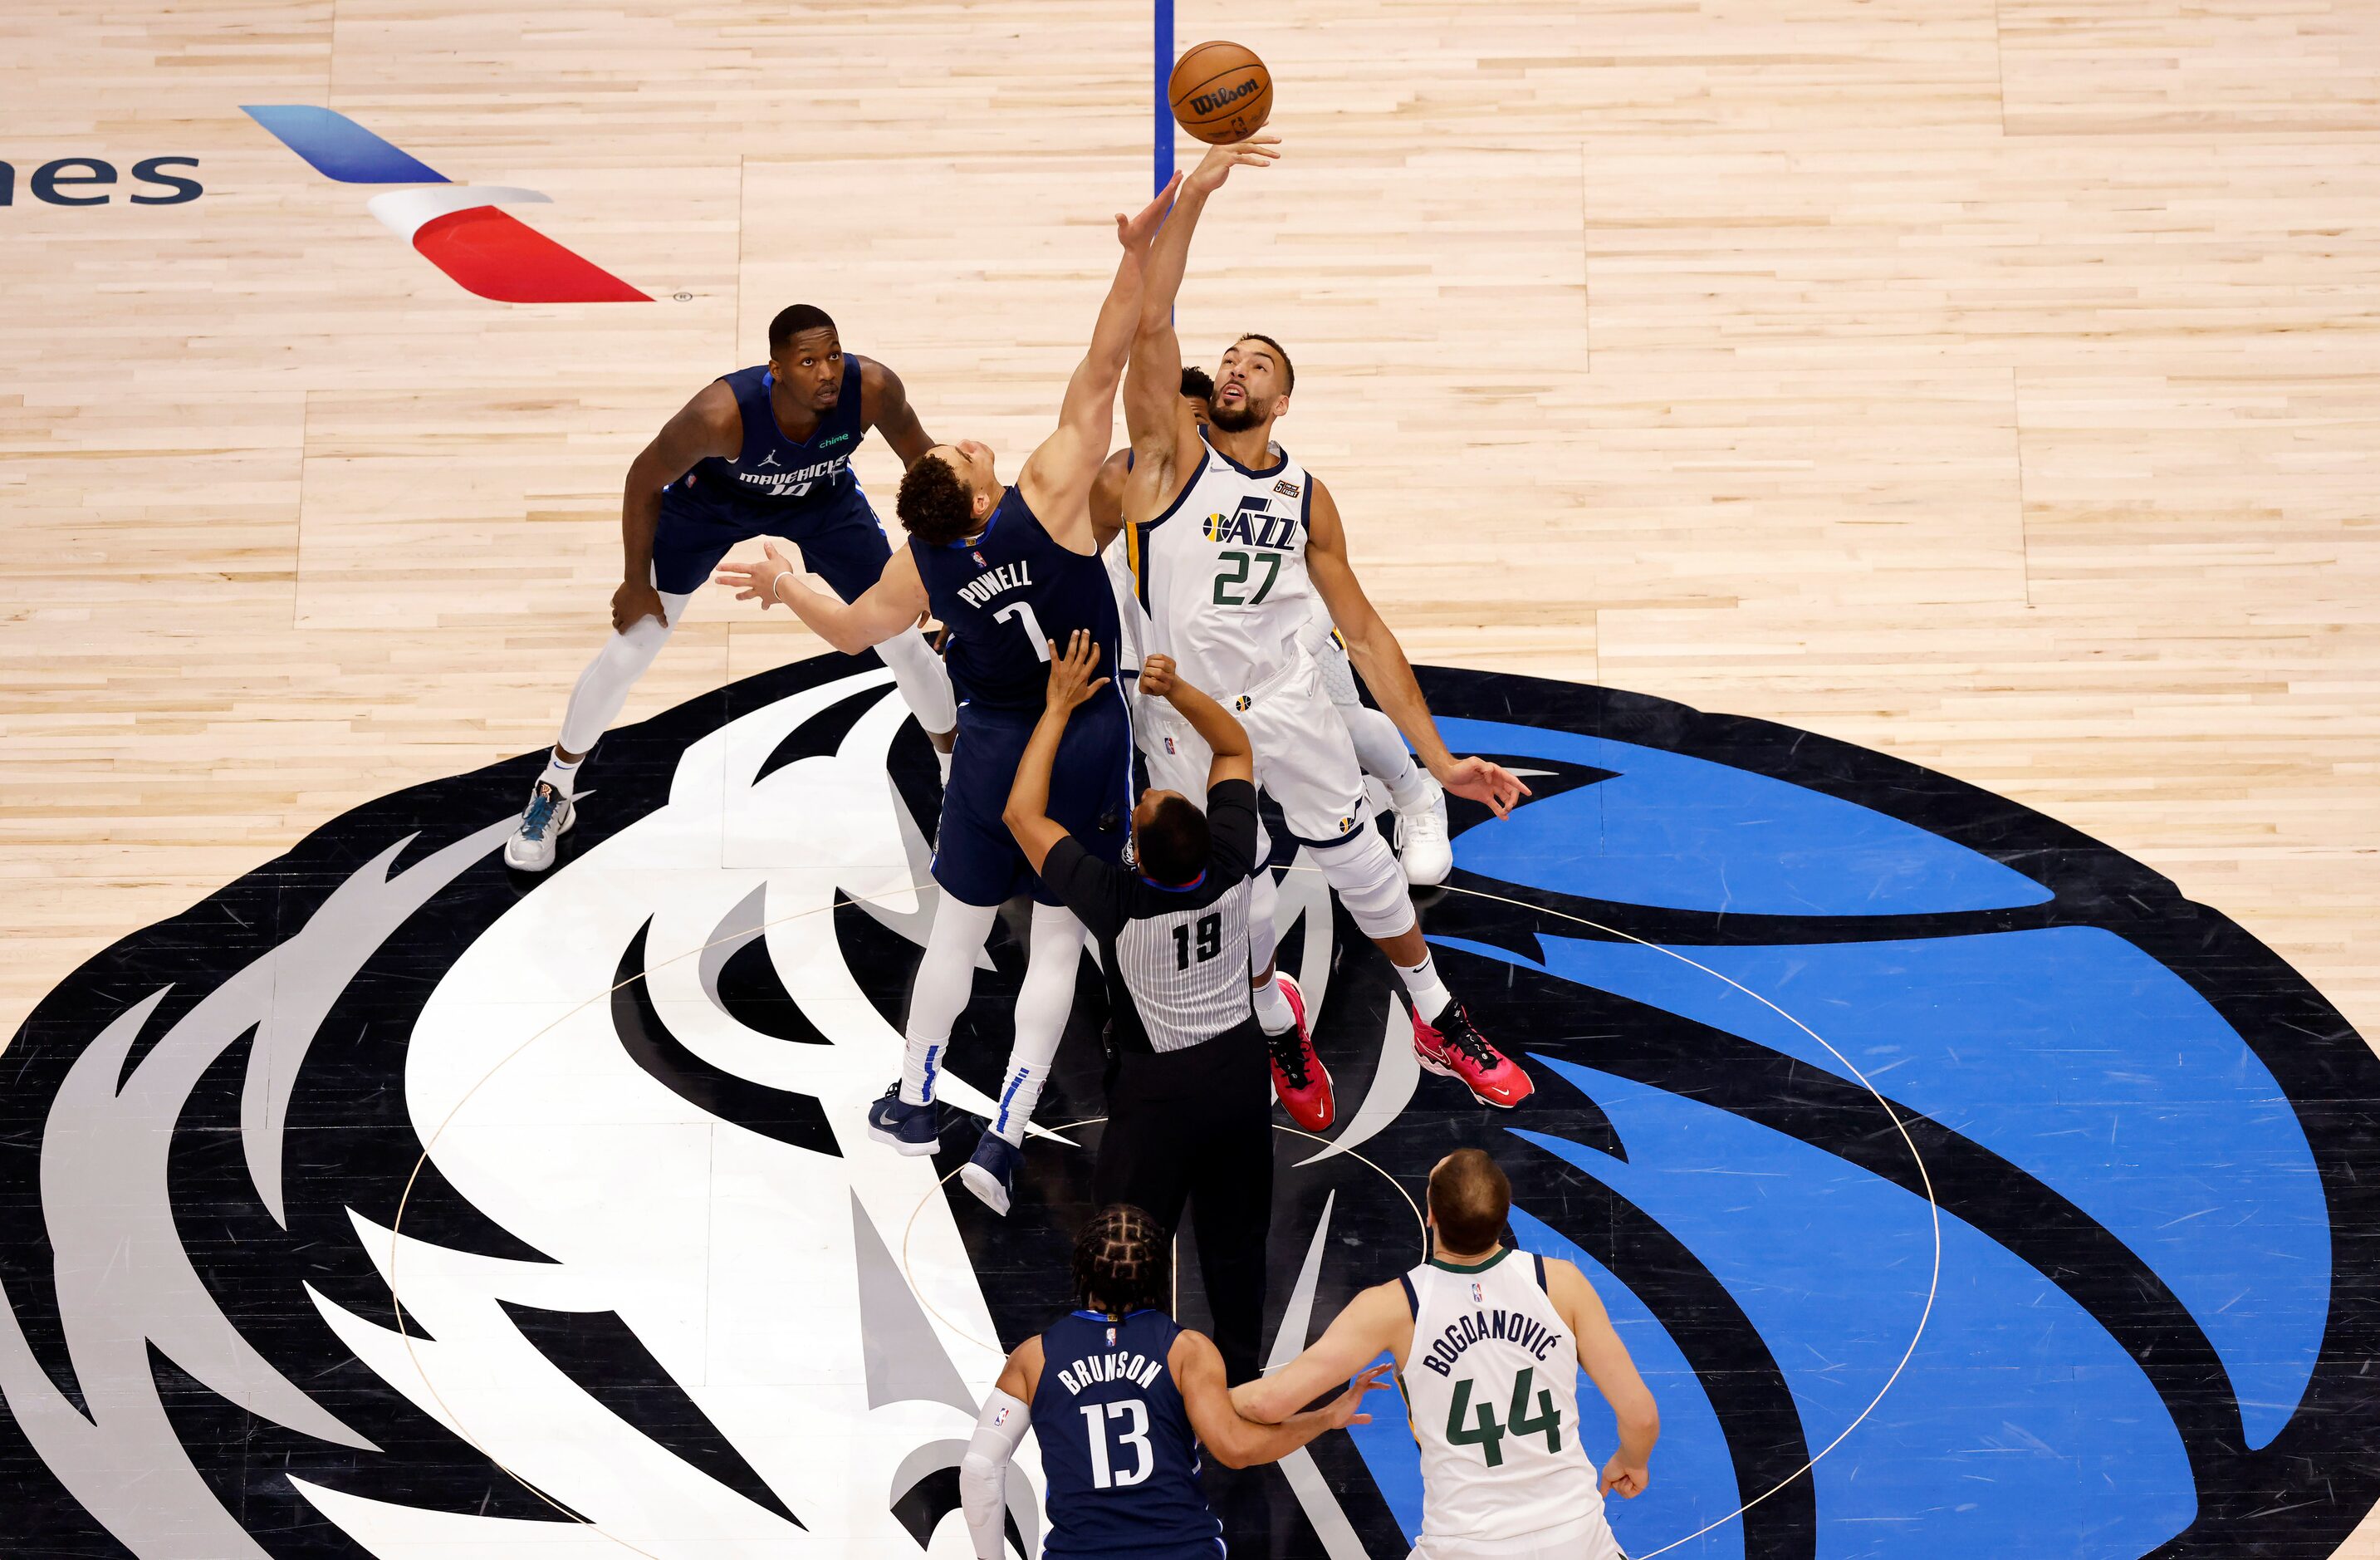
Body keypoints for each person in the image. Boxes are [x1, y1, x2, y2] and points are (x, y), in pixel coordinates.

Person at [717, 175, 1181, 1217]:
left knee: (961, 933)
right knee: (1057, 943)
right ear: (981, 498)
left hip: (989, 749)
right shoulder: (1050, 497)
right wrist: (1134, 251)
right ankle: (1008, 1134)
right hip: (1084, 734)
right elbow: (1106, 355)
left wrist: (785, 578)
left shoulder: (916, 567)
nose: (968, 441)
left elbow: (843, 633)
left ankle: (918, 1097)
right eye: (963, 454)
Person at [1122, 139, 1538, 1113]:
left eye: (1254, 362)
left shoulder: (1309, 497)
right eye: (1226, 358)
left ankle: (1437, 1020)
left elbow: (1366, 634)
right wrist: (1194, 201)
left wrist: (1438, 761)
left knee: (1361, 861)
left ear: (1283, 396)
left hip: (1287, 703)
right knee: (1234, 895)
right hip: (1184, 716)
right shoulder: (1169, 460)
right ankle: (1279, 1028)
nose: (1232, 368)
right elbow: (1149, 320)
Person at [506, 305, 957, 871]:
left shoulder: (872, 389)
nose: (827, 372)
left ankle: (956, 780)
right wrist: (632, 580)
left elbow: (928, 467)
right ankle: (555, 787)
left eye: (834, 355)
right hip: (711, 509)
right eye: (809, 361)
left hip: (823, 500)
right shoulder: (720, 415)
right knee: (633, 646)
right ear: (776, 369)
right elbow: (644, 478)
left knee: (901, 639)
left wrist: (941, 564)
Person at [1005, 633, 1271, 1383]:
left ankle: (1125, 1375)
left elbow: (1024, 815)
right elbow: (1234, 749)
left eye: (1148, 803)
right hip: (1238, 1073)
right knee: (1236, 1238)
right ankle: (1242, 1376)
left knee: (1125, 1241)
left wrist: (1056, 708)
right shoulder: (1228, 860)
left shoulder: (1117, 902)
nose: (1148, 792)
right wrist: (1179, 692)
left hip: (1158, 1093)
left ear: (1139, 856)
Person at [1091, 369, 1453, 887]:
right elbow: (1077, 562)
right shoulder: (1134, 482)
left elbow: (1333, 601)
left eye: (1200, 425)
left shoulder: (1274, 489)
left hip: (1287, 629)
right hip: (1184, 664)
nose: (1191, 440)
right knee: (1213, 814)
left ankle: (1417, 797)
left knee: (1344, 720)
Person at [1234, 1150, 1658, 1560]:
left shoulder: (1391, 1307)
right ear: (1505, 1213)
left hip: (1463, 1544)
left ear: (1430, 1215)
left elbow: (1267, 1403)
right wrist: (1630, 1461)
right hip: (1576, 1538)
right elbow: (1640, 1416)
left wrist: (1190, 1388)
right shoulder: (1561, 1283)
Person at [959, 1204, 1390, 1560]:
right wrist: (1325, 1417)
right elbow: (1236, 1449)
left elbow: (980, 1467)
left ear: (1082, 1270)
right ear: (1160, 1274)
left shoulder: (1034, 1358)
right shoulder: (1187, 1351)